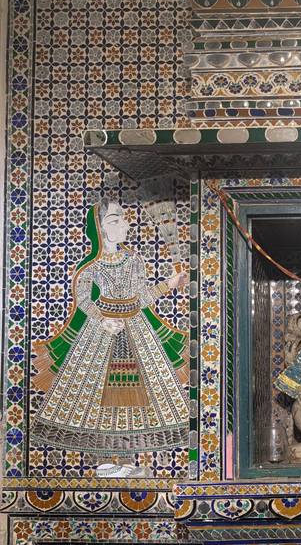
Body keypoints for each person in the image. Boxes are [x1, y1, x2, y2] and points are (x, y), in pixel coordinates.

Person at [33, 200, 189, 476]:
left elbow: (141, 297)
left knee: (133, 395)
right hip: (103, 330)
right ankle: (105, 461)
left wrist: (169, 284)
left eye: (124, 219)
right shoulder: (91, 266)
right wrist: (102, 319)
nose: (124, 225)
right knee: (99, 395)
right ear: (100, 228)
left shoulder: (134, 260)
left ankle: (128, 459)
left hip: (135, 329)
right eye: (115, 220)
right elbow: (82, 298)